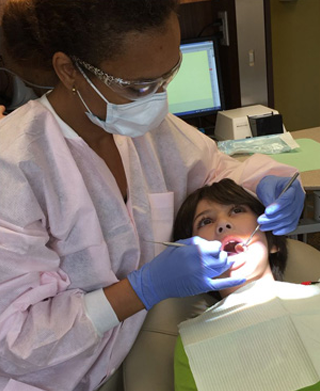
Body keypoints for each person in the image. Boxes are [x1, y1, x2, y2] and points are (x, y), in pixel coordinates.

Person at [0, 1, 305, 390]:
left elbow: (214, 172)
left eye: (169, 75)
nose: (159, 98)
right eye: (139, 85)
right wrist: (141, 289)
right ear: (68, 70)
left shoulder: (150, 130)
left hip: (134, 351)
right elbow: (14, 339)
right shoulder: (13, 165)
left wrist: (268, 182)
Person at [173, 179, 320, 391]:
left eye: (237, 210)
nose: (223, 224)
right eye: (205, 221)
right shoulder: (191, 345)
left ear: (274, 242)